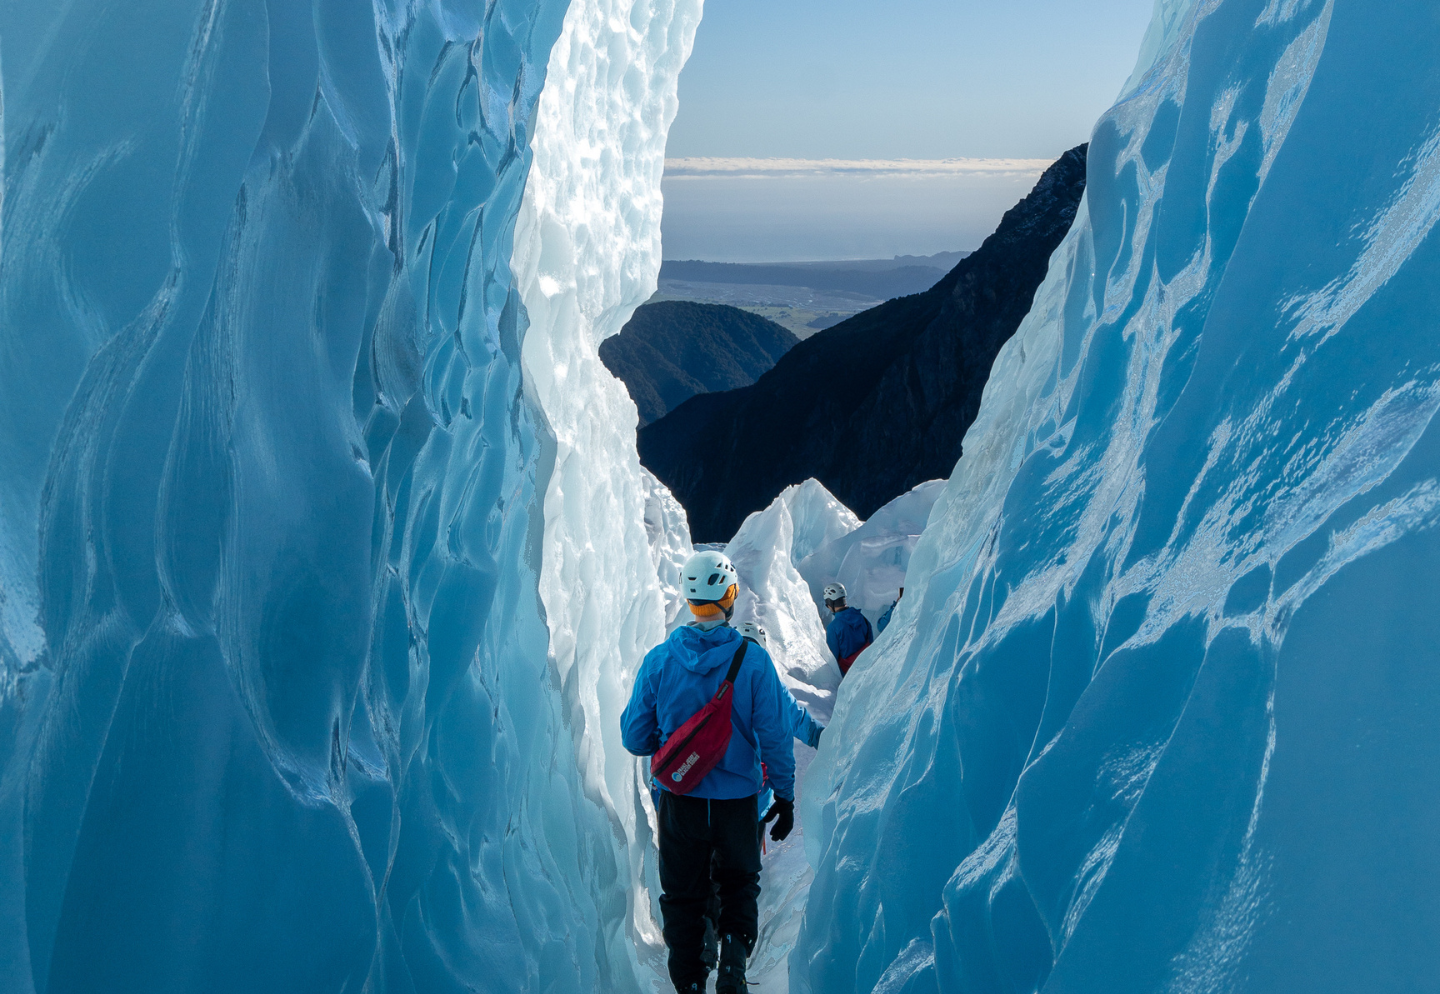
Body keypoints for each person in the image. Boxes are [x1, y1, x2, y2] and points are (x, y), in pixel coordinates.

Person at [621, 551, 813, 994]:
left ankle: (689, 983)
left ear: (690, 601)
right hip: (738, 804)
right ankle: (732, 967)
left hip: (680, 803)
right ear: (729, 597)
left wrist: (674, 742)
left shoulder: (660, 660)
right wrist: (784, 796)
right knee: (739, 885)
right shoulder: (754, 662)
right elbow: (776, 736)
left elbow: (635, 738)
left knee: (684, 896)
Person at [823, 582, 873, 676]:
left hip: (847, 675)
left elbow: (832, 658)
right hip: (867, 669)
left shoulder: (833, 628)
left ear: (830, 603)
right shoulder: (862, 619)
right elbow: (871, 642)